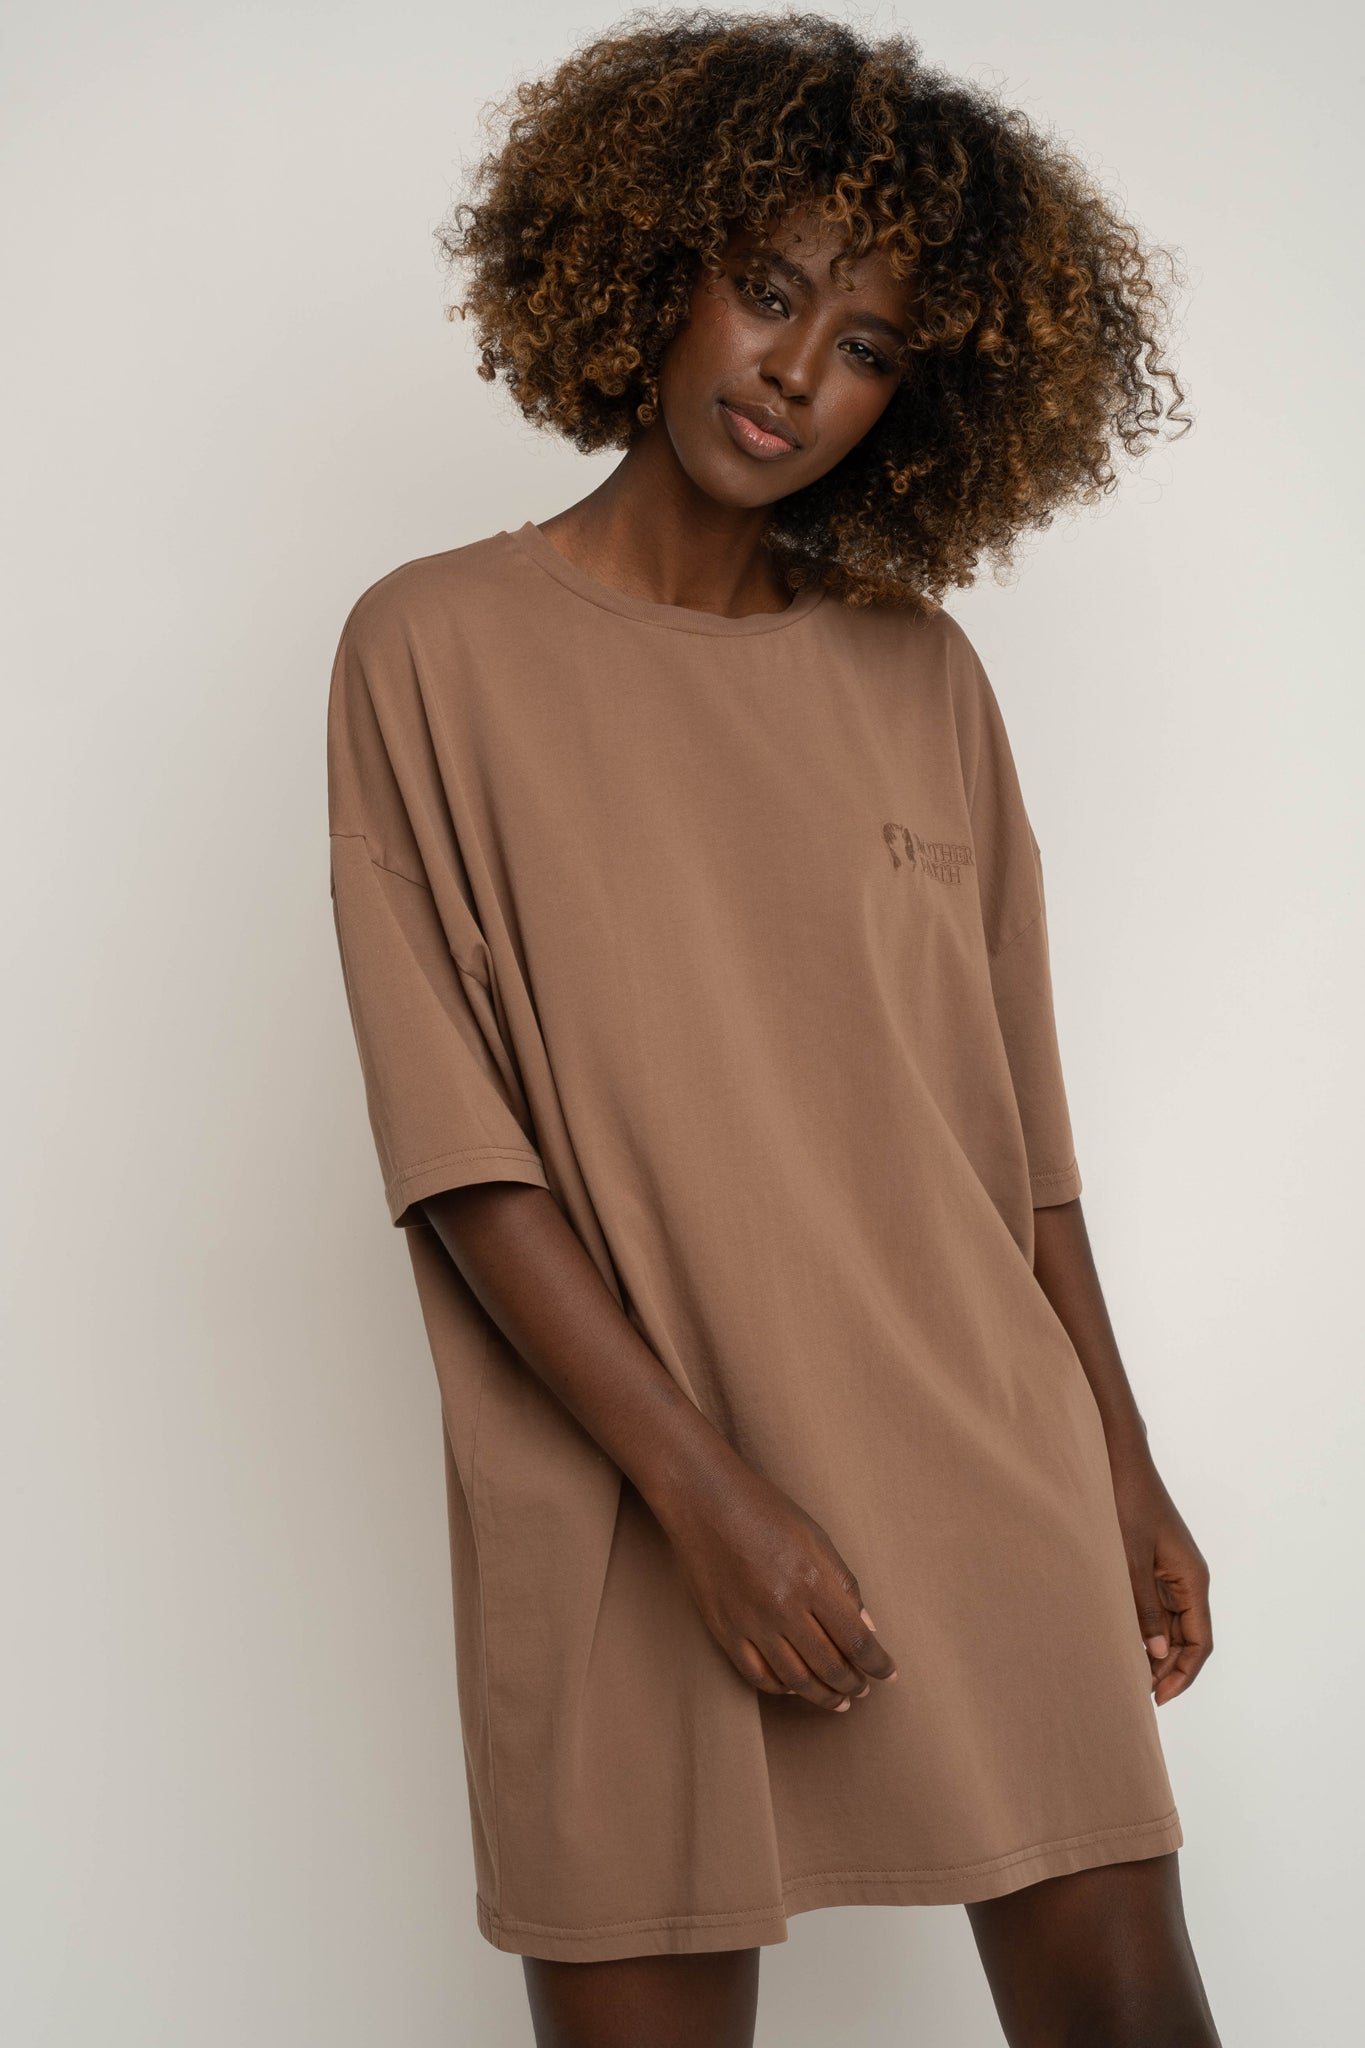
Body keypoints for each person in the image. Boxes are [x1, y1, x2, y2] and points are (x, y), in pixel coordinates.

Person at [325, 12, 1221, 2044]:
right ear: (653, 266)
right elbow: (459, 1152)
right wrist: (706, 1500)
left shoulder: (922, 674)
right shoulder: (430, 649)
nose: (799, 368)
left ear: (928, 394)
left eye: (871, 341)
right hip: (628, 1502)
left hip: (976, 1459)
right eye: (770, 284)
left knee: (1129, 2007)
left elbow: (1019, 1142)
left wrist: (1122, 1464)